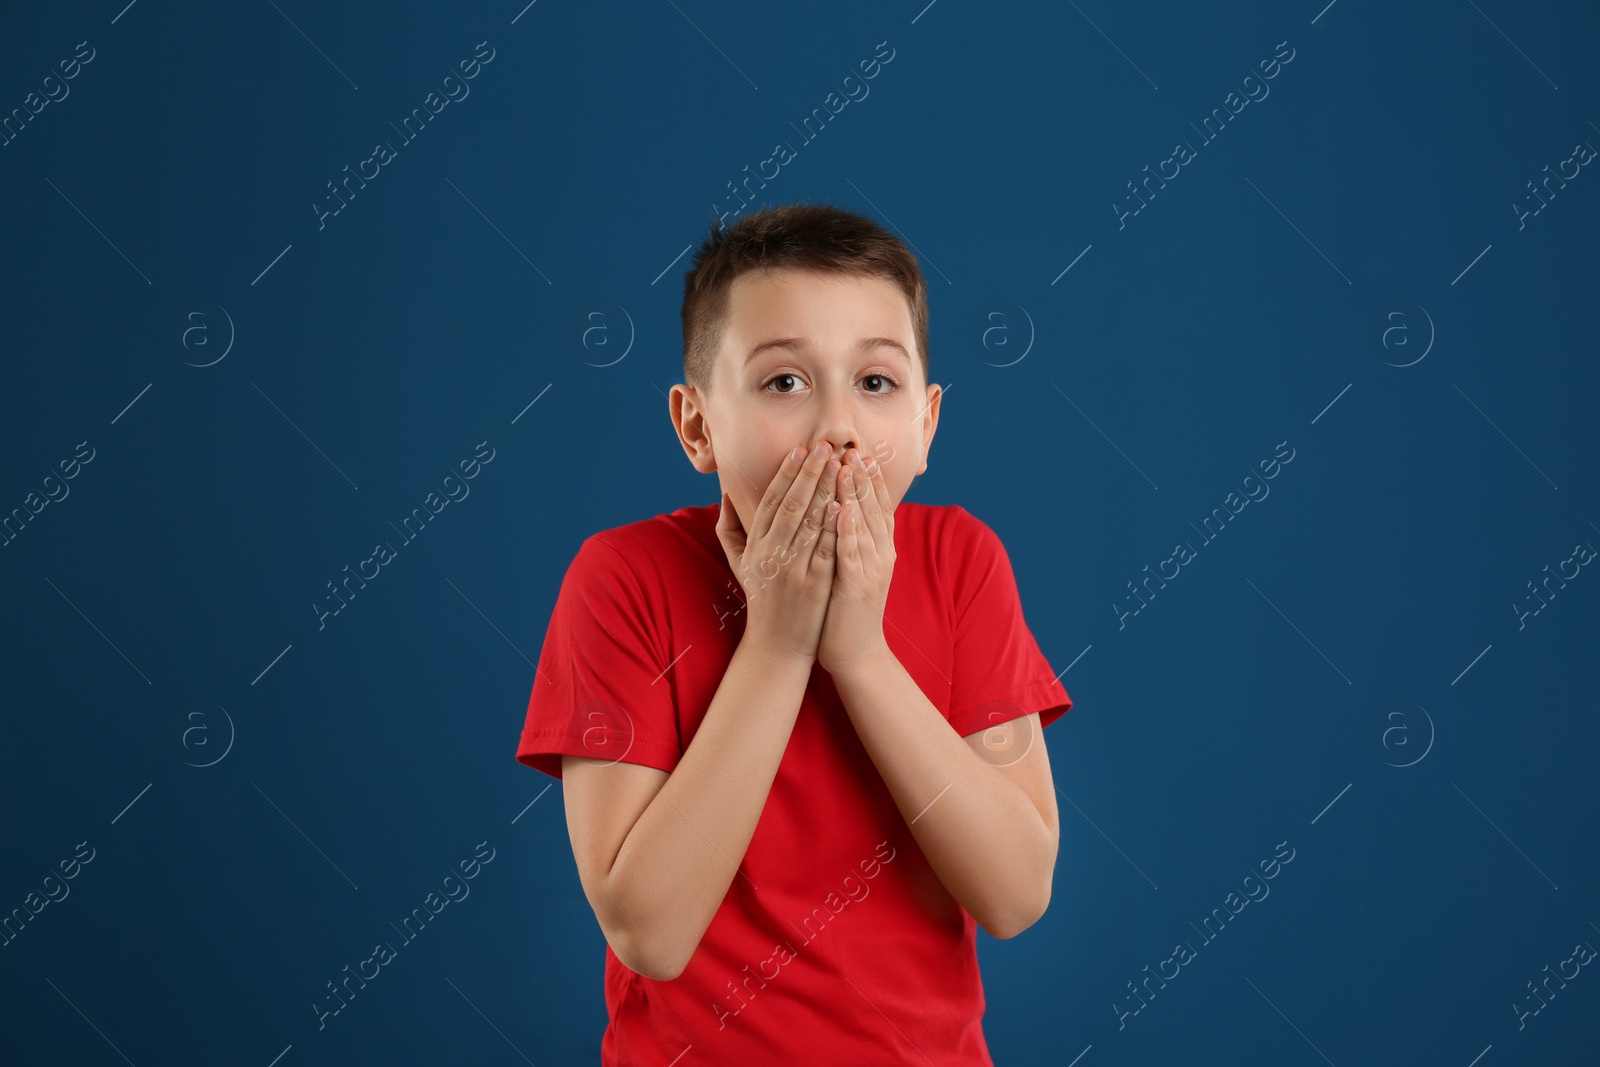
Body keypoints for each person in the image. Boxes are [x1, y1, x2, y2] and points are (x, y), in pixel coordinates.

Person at [515, 202, 1072, 1065]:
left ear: (926, 425)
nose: (838, 427)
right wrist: (776, 641)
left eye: (875, 382)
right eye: (784, 382)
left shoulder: (963, 562)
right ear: (697, 424)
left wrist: (858, 651)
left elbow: (1016, 892)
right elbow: (650, 934)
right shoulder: (621, 578)